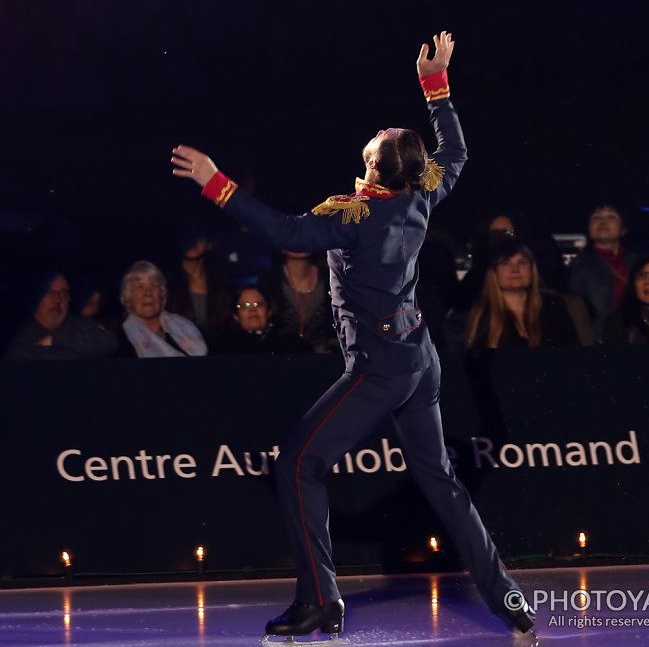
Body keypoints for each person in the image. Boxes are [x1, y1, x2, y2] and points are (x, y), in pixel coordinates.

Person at [171, 32, 535, 638]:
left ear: (374, 165)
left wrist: (217, 182)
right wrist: (435, 87)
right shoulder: (421, 192)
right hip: (420, 359)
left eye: (384, 139)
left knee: (293, 465)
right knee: (442, 483)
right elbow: (459, 153)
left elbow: (288, 233)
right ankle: (510, 602)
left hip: (380, 370)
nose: (385, 132)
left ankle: (321, 601)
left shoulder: (351, 214)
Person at [464, 240, 579, 348]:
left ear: (531, 269)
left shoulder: (554, 306)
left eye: (522, 262)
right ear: (494, 273)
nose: (515, 269)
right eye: (505, 263)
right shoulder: (482, 316)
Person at [4, 271, 118, 361]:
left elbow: (109, 344)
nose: (57, 300)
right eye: (49, 293)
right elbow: (15, 358)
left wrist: (54, 340)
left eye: (63, 294)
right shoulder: (20, 331)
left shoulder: (83, 325)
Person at [567, 203, 636, 340]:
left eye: (611, 217)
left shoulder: (638, 262)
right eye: (596, 218)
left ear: (623, 229)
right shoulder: (578, 266)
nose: (603, 222)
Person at [118, 260, 208, 358]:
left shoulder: (185, 325)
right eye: (139, 286)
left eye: (154, 285)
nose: (148, 293)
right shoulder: (119, 341)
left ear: (162, 295)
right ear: (128, 298)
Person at [260, 250, 337, 353]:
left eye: (305, 235)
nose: (300, 241)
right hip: (280, 358)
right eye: (293, 234)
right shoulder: (269, 280)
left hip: (325, 358)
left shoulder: (331, 277)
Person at [215, 283, 313, 356]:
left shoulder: (292, 344)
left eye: (259, 304)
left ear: (269, 311)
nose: (253, 310)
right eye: (246, 306)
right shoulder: (224, 349)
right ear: (235, 315)